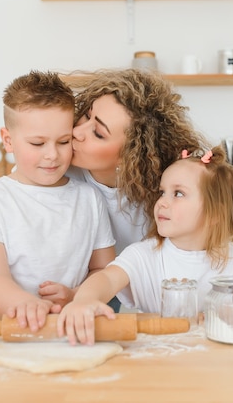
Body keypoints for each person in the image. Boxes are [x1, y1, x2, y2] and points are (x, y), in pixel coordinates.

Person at [0, 71, 116, 331]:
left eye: (63, 141)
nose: (52, 155)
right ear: (8, 140)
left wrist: (76, 294)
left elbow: (104, 270)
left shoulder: (89, 198)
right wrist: (25, 304)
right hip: (8, 329)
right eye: (37, 143)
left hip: (67, 329)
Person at [57, 145, 233, 345]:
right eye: (162, 192)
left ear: (215, 214)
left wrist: (218, 319)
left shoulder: (232, 258)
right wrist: (84, 300)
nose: (162, 203)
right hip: (156, 358)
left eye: (178, 194)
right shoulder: (143, 255)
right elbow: (106, 278)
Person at [66, 69, 210, 311]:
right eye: (86, 115)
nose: (77, 132)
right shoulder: (54, 171)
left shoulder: (161, 198)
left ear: (130, 156)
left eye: (98, 133)